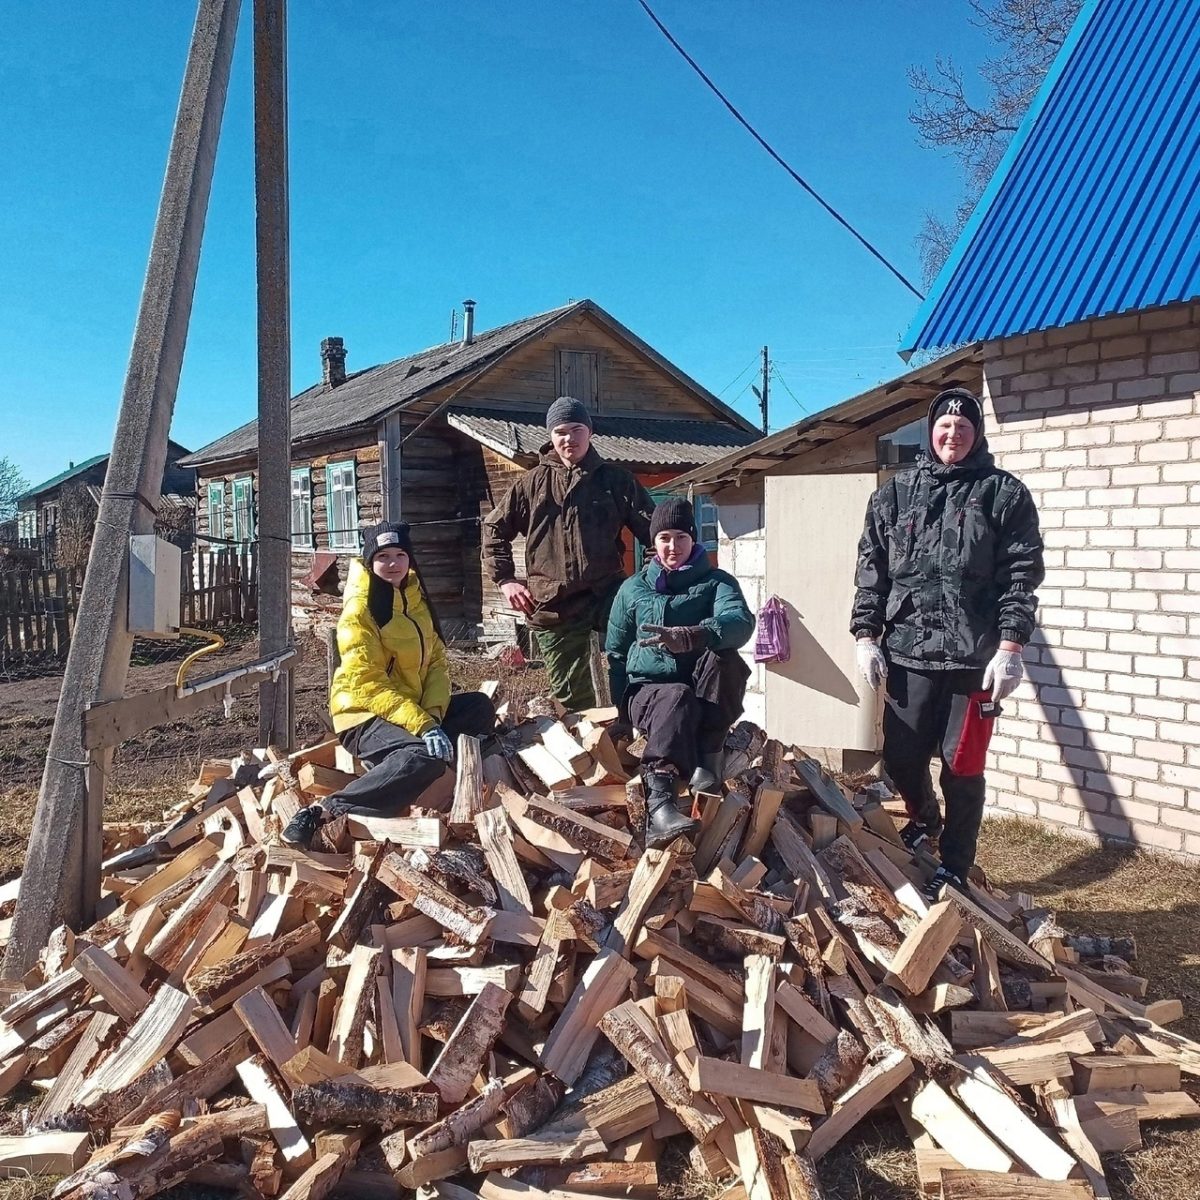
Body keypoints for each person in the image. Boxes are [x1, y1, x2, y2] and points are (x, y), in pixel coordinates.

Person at [851, 388, 1044, 900]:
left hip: (974, 660)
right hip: (909, 653)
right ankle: (923, 819)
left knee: (962, 768)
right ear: (930, 432)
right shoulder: (893, 495)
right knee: (900, 759)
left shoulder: (1003, 494)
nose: (952, 433)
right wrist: (866, 636)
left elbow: (1021, 576)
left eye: (963, 427)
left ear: (976, 435)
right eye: (944, 426)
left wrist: (1010, 647)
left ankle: (955, 864)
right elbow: (872, 571)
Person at [282, 521, 496, 848]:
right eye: (383, 556)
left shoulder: (415, 598)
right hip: (363, 714)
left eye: (400, 554)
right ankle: (328, 810)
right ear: (370, 561)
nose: (393, 563)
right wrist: (423, 726)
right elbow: (368, 684)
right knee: (425, 756)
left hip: (408, 710)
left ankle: (401, 761)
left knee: (479, 707)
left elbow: (437, 661)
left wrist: (433, 717)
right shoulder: (361, 610)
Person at [482, 396, 656, 711]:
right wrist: (506, 580)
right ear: (550, 436)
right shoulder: (532, 483)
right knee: (572, 699)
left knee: (637, 661)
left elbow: (654, 531)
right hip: (553, 600)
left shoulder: (615, 481)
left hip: (608, 591)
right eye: (560, 431)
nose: (569, 438)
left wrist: (647, 580)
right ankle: (589, 750)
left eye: (576, 429)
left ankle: (634, 731)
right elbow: (494, 529)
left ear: (589, 431)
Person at [606, 497, 755, 849]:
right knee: (676, 696)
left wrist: (694, 636)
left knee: (727, 660)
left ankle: (709, 756)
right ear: (653, 543)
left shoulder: (718, 583)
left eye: (681, 538)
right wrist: (619, 715)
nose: (673, 546)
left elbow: (740, 623)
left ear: (693, 540)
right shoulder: (633, 589)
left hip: (702, 689)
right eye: (664, 538)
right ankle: (660, 805)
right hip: (650, 693)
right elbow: (615, 652)